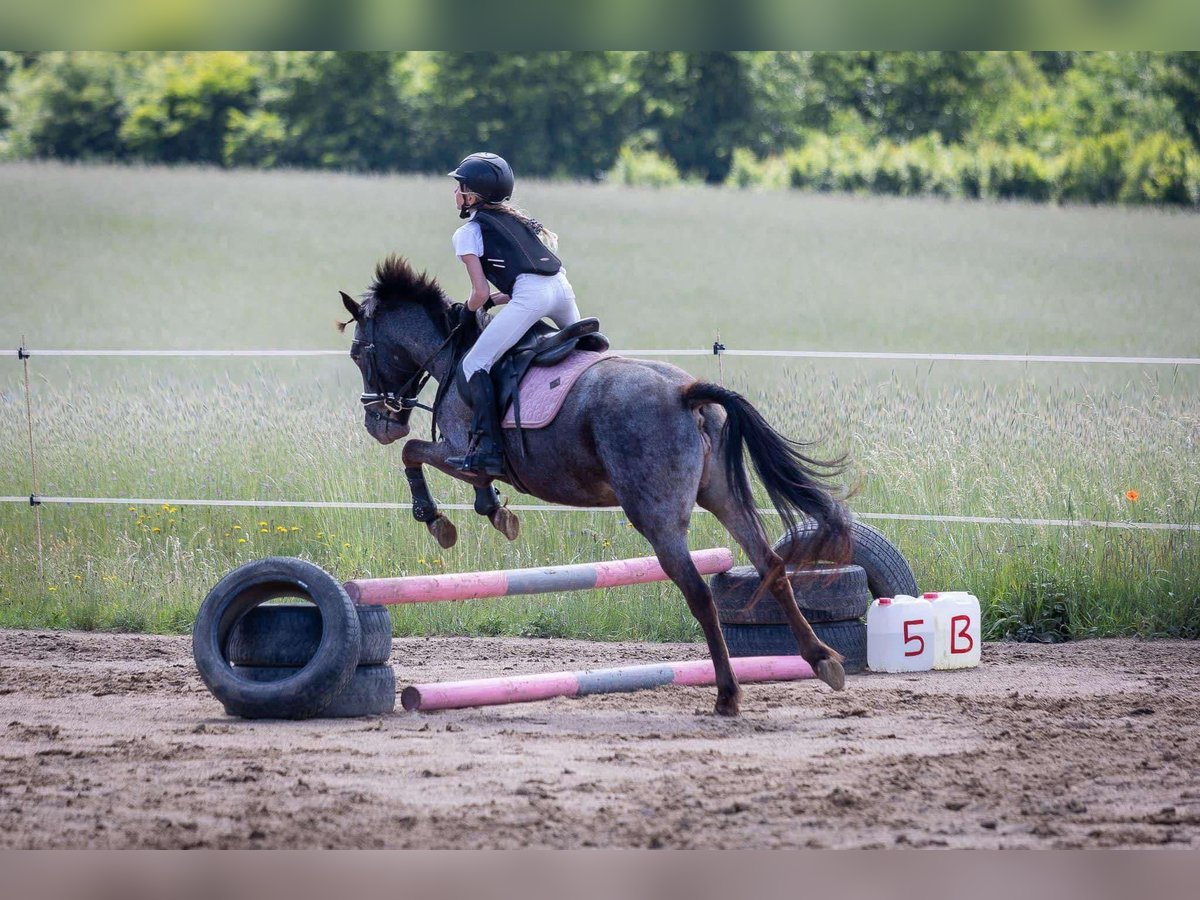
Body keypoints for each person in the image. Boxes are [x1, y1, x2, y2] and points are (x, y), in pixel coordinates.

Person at [445, 152, 582, 476]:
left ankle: (489, 452)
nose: (455, 193)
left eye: (459, 187)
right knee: (586, 350)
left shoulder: (468, 232)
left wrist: (469, 310)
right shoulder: (519, 221)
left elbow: (477, 293)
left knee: (474, 363)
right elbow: (530, 276)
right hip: (562, 290)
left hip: (531, 298)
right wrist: (496, 299)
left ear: (472, 196)